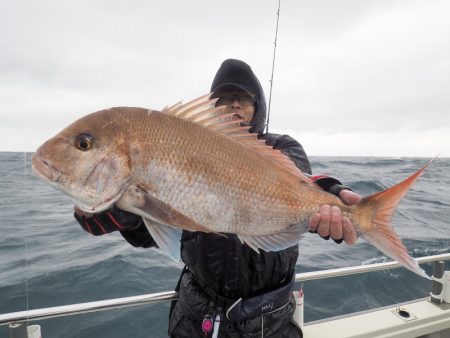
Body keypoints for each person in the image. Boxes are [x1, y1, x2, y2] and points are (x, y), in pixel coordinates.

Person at [74, 59, 361, 337]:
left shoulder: (281, 146)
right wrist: (127, 216)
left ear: (257, 106)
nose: (234, 104)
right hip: (195, 317)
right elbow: (160, 229)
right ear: (212, 107)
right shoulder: (185, 148)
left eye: (243, 98)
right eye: (224, 98)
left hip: (269, 324)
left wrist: (332, 194)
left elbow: (301, 181)